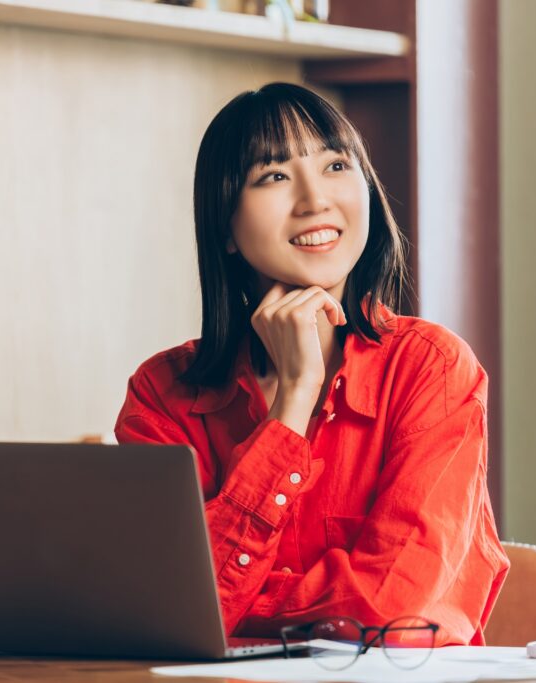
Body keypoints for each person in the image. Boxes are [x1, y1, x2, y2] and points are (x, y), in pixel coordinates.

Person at [114, 82, 509, 646]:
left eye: (335, 165)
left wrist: (243, 599)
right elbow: (164, 611)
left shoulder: (434, 370)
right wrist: (293, 403)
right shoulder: (161, 396)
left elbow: (388, 608)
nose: (315, 199)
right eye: (274, 176)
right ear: (224, 225)